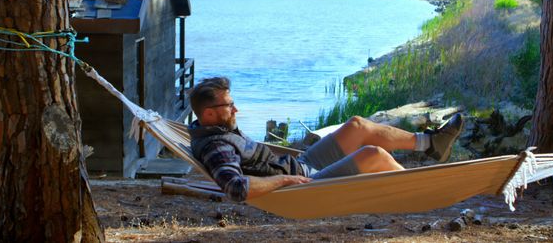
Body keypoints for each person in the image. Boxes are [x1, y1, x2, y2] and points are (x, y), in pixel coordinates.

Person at [189, 77, 464, 202]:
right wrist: (285, 180)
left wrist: (289, 168)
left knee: (356, 124)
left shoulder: (216, 130)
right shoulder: (217, 147)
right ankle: (427, 194)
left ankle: (429, 144)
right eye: (229, 106)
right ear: (210, 113)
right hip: (301, 187)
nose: (236, 109)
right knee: (373, 154)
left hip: (301, 165)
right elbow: (236, 188)